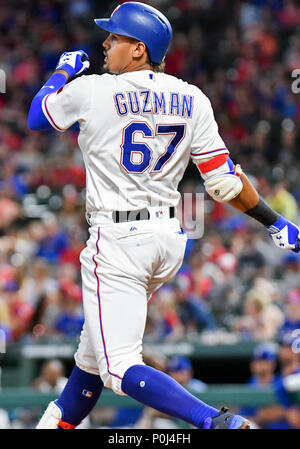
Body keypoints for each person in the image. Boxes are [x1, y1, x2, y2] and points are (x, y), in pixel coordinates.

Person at [27, 1, 300, 430]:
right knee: (91, 360)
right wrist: (275, 221)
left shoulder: (94, 88)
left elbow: (36, 115)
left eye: (115, 37)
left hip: (117, 239)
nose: (106, 43)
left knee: (117, 368)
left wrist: (62, 71)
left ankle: (215, 422)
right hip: (167, 239)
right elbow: (225, 181)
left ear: (138, 49)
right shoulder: (192, 97)